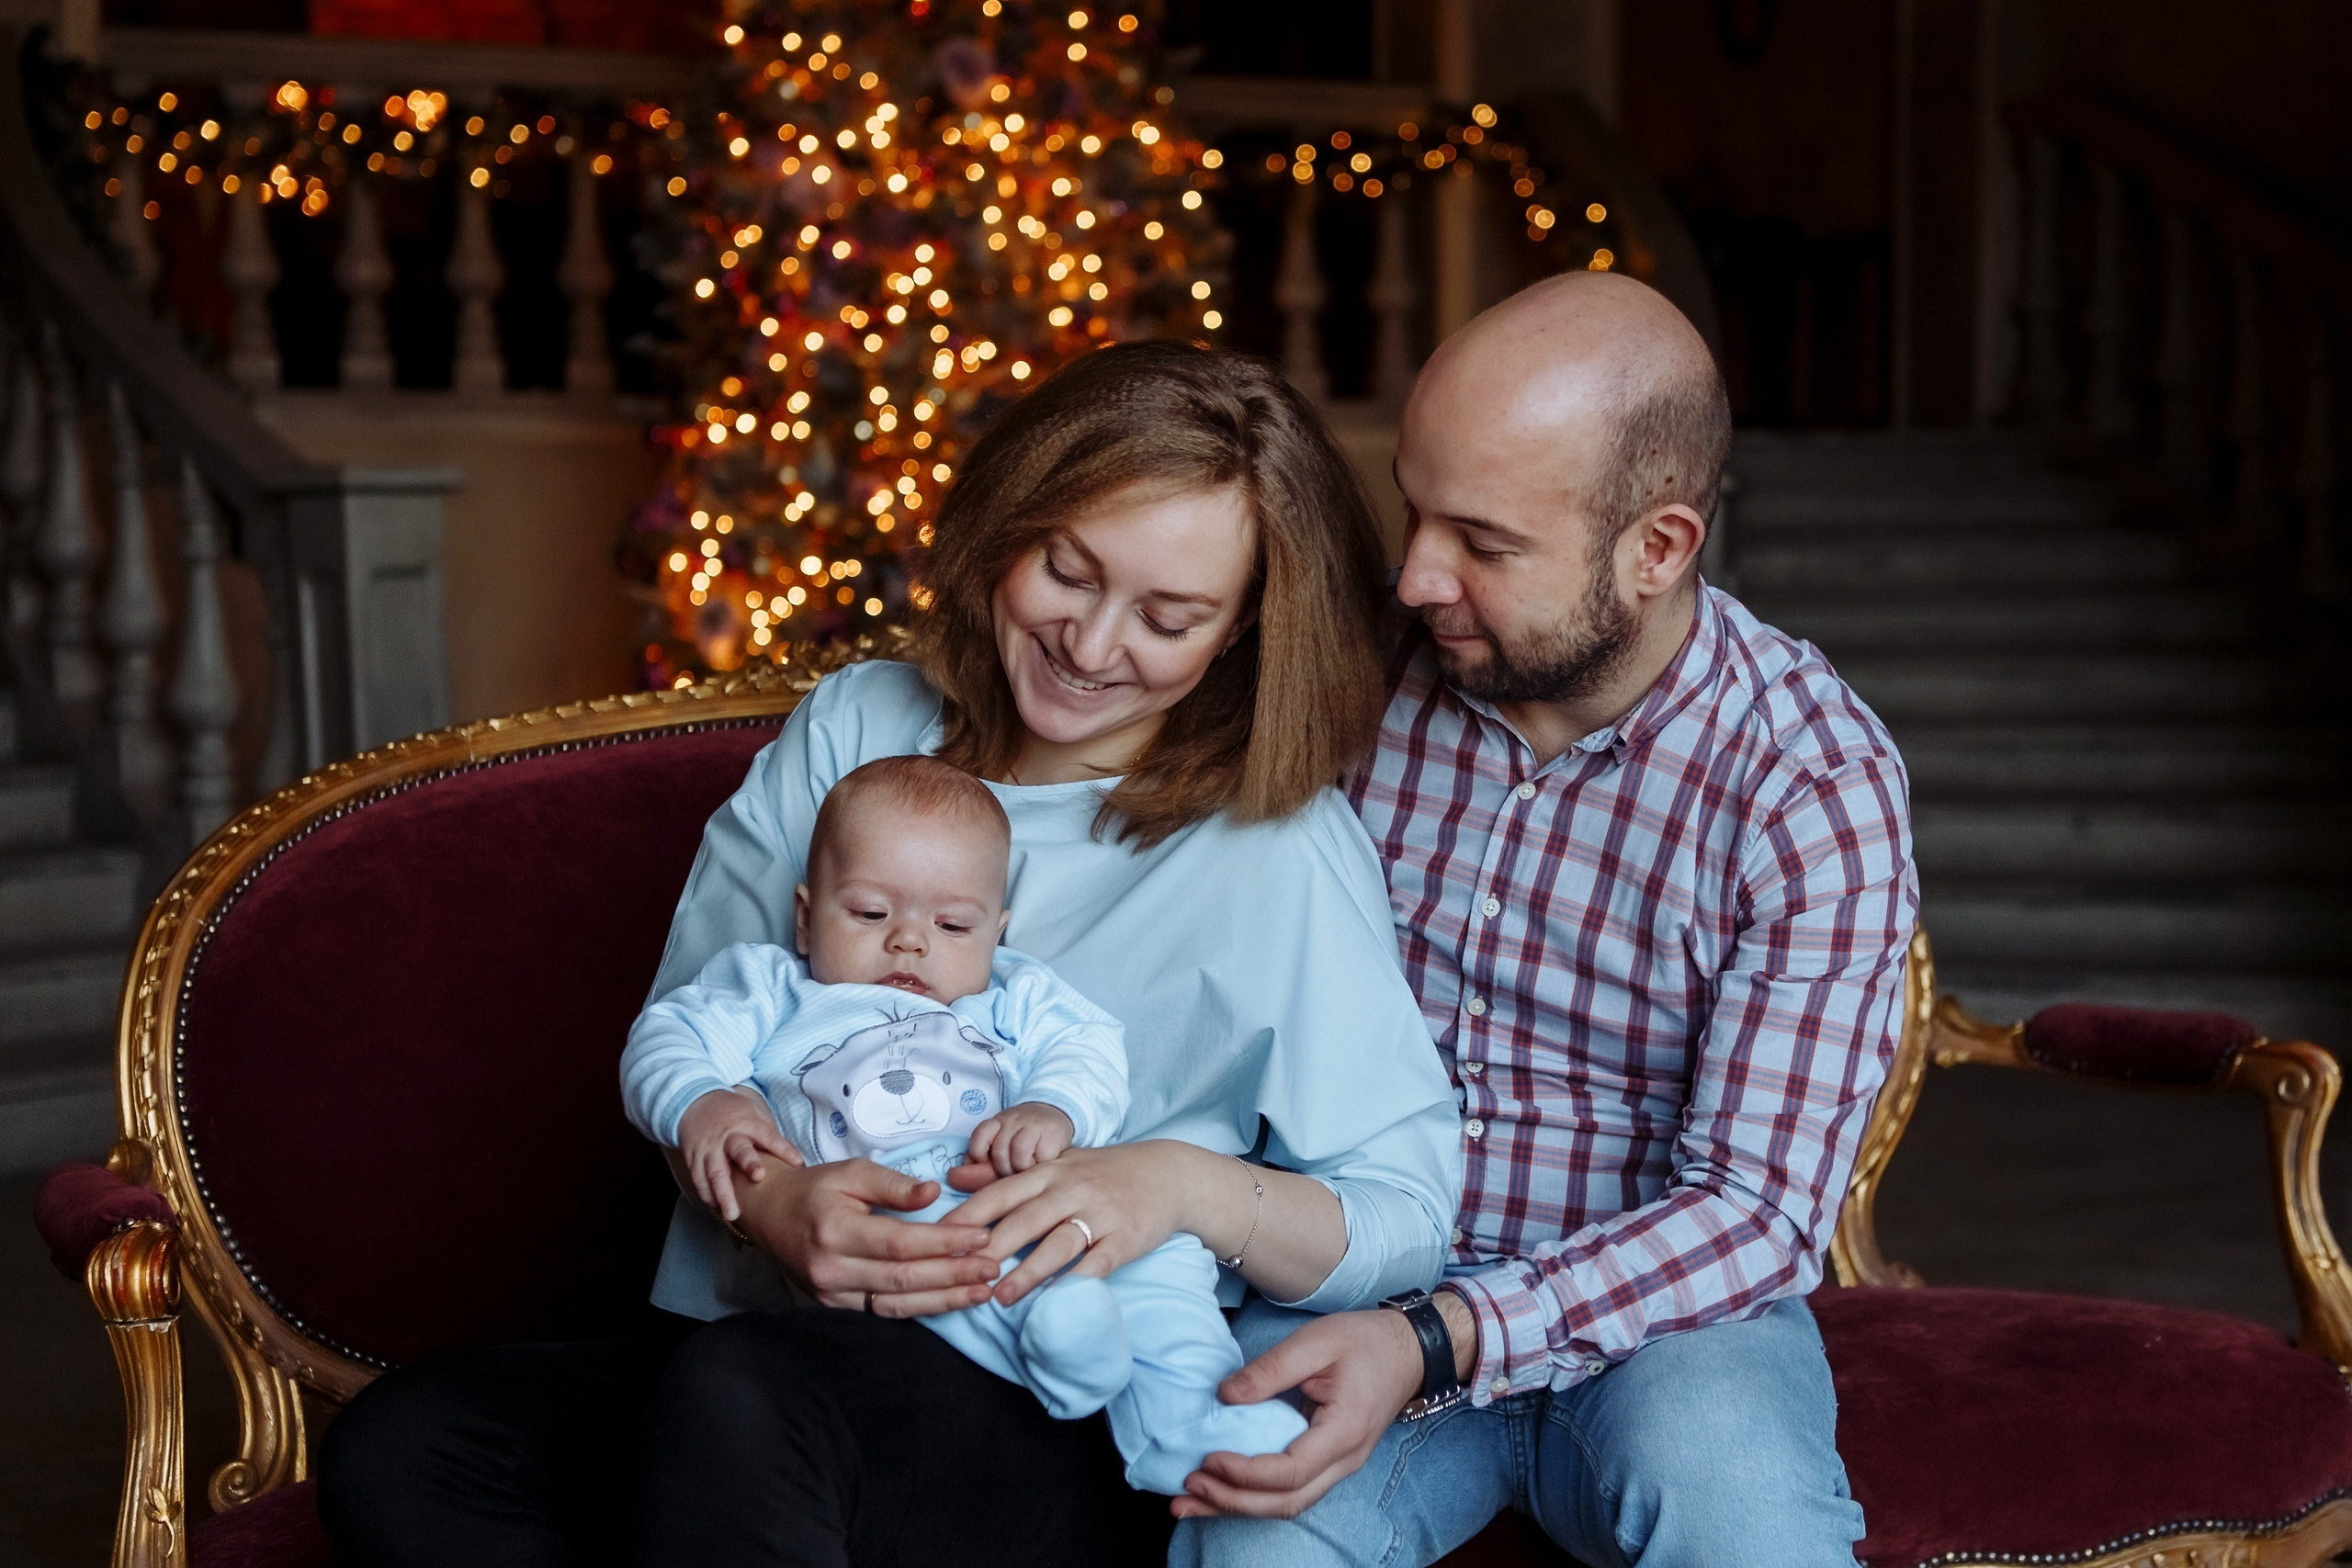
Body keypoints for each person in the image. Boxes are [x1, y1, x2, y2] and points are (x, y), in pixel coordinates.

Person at [317, 341, 1463, 1568]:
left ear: (1241, 633)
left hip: (1058, 1388)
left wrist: (1173, 1185)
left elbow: (1405, 1214)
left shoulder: (1275, 845)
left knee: (750, 1405)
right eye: (1066, 569)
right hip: (761, 1344)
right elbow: (692, 1036)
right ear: (1007, 524)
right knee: (410, 1439)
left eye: (1169, 616)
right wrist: (771, 1202)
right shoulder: (862, 724)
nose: (1090, 642)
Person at [1167, 273, 1918, 1568]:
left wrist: (1446, 1333)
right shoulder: (1355, 678)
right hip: (1354, 1267)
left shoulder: (1809, 775)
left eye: (1485, 541)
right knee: (1253, 1550)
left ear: (1659, 547)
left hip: (1676, 1322)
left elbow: (1755, 1208)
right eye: (1413, 508)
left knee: (1750, 1527)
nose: (1412, 575)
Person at [622, 752, 1309, 1493]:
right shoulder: (771, 988)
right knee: (942, 1271)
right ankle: (1057, 1360)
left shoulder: (1014, 994)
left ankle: (1195, 1421)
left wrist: (1055, 1107)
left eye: (952, 924)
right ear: (805, 914)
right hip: (896, 1209)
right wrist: (706, 1101)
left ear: (995, 932)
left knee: (1167, 1259)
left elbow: (1088, 1048)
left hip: (1042, 1197)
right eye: (869, 913)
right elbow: (665, 1038)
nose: (910, 940)